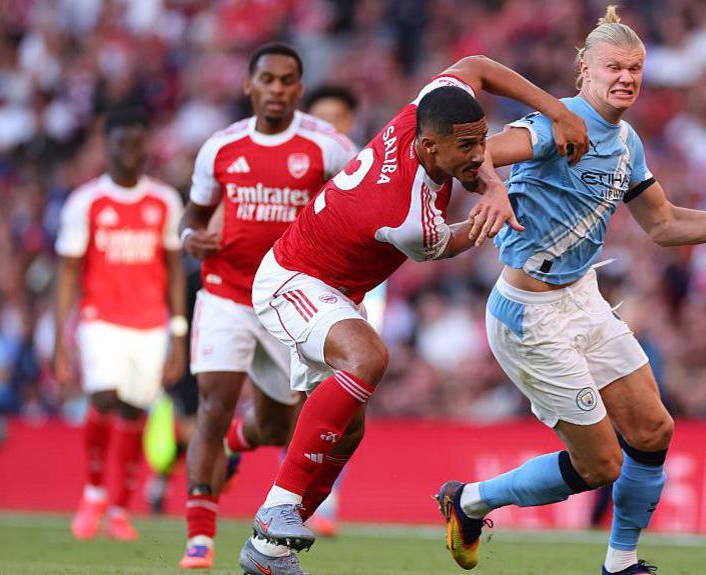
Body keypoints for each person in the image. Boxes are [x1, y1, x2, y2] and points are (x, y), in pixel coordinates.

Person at [434, 6, 706, 575]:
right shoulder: (551, 128)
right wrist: (488, 185)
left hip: (581, 297)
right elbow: (476, 151)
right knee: (602, 464)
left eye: (635, 68)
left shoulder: (627, 141)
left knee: (654, 429)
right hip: (529, 315)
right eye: (614, 67)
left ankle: (621, 563)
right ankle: (472, 500)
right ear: (583, 68)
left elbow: (664, 226)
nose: (627, 78)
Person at [239, 55, 589, 575]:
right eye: (467, 147)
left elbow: (474, 65)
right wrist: (494, 209)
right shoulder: (406, 216)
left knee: (349, 431)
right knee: (367, 358)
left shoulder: (421, 113)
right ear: (430, 147)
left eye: (481, 140)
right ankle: (276, 510)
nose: (480, 154)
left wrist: (554, 110)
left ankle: (268, 552)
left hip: (338, 289)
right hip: (293, 279)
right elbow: (445, 243)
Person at [177, 42, 357, 569]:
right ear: (248, 85)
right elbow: (193, 214)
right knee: (213, 402)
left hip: (289, 299)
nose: (276, 89)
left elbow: (361, 198)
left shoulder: (328, 146)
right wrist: (191, 236)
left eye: (287, 81)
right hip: (225, 293)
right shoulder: (221, 148)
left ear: (299, 89)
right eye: (267, 79)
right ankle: (200, 535)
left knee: (281, 426)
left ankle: (241, 438)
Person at [54, 106, 187, 542]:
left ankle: (119, 508)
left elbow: (173, 271)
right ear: (106, 145)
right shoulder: (86, 202)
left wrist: (179, 334)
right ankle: (93, 490)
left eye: (136, 142)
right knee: (104, 395)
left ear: (145, 145)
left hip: (150, 323)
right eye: (120, 142)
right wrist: (60, 337)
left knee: (134, 408)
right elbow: (69, 272)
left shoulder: (164, 201)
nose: (129, 151)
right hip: (101, 319)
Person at [301, 83, 365, 539]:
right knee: (285, 407)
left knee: (340, 397)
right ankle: (240, 442)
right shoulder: (296, 163)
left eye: (337, 119)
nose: (330, 128)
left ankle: (322, 502)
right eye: (321, 119)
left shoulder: (360, 165)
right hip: (294, 287)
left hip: (346, 290)